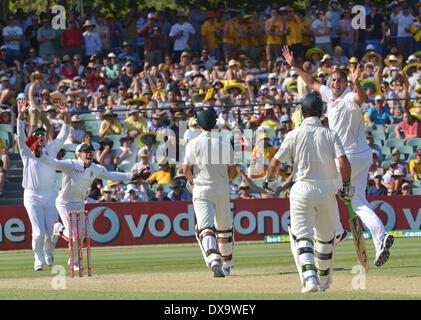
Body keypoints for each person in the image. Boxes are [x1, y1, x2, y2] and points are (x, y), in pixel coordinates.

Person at [283, 45, 394, 267]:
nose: (334, 84)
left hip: (349, 158)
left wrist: (357, 82)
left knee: (321, 187)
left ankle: (338, 232)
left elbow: (360, 98)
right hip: (362, 156)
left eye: (339, 82)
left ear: (345, 84)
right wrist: (294, 66)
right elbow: (312, 82)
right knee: (358, 201)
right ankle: (380, 238)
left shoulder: (349, 98)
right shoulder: (329, 94)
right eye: (333, 81)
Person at [263, 92, 353, 293]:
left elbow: (276, 162)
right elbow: (344, 163)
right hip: (326, 191)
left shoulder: (294, 134)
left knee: (301, 237)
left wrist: (269, 181)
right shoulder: (330, 134)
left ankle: (310, 278)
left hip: (301, 189)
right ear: (321, 112)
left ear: (301, 112)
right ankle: (322, 281)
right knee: (325, 238)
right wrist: (347, 185)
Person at [37, 143, 148, 270]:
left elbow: (112, 175)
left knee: (81, 234)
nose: (89, 153)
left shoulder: (95, 168)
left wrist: (134, 175)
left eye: (91, 151)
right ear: (80, 154)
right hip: (64, 202)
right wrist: (40, 155)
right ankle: (59, 230)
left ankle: (73, 260)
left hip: (78, 203)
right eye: (86, 151)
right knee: (74, 234)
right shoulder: (71, 164)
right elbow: (53, 163)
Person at [16, 97, 70, 271]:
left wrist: (66, 117)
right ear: (33, 139)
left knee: (52, 233)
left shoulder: (50, 149)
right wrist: (20, 115)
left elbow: (63, 135)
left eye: (42, 136)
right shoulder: (26, 152)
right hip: (32, 196)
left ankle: (49, 252)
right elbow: (21, 135)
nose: (40, 139)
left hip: (50, 196)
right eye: (37, 136)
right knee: (39, 232)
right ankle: (38, 259)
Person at [182, 110, 237, 278]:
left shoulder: (193, 143)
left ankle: (213, 259)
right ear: (215, 124)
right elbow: (233, 170)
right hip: (221, 188)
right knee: (224, 228)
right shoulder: (225, 141)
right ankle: (226, 265)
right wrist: (223, 180)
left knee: (205, 227)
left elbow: (185, 169)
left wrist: (192, 182)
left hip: (201, 188)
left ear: (198, 125)